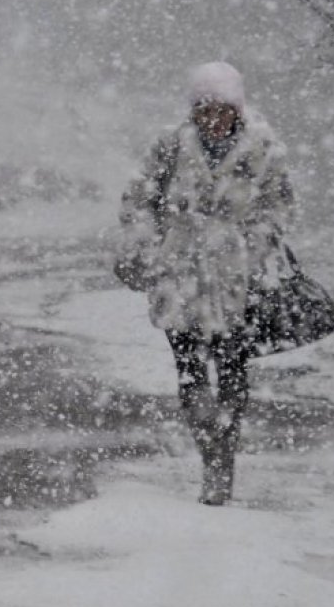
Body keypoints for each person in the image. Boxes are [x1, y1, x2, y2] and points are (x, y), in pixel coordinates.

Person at [117, 62, 294, 505]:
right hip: (179, 272)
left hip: (238, 278)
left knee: (233, 369)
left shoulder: (264, 150)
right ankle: (208, 452)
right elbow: (138, 199)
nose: (213, 119)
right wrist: (146, 247)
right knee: (190, 369)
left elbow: (280, 207)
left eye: (221, 110)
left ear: (237, 109)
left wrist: (251, 244)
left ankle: (224, 457)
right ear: (193, 111)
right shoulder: (171, 146)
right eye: (204, 110)